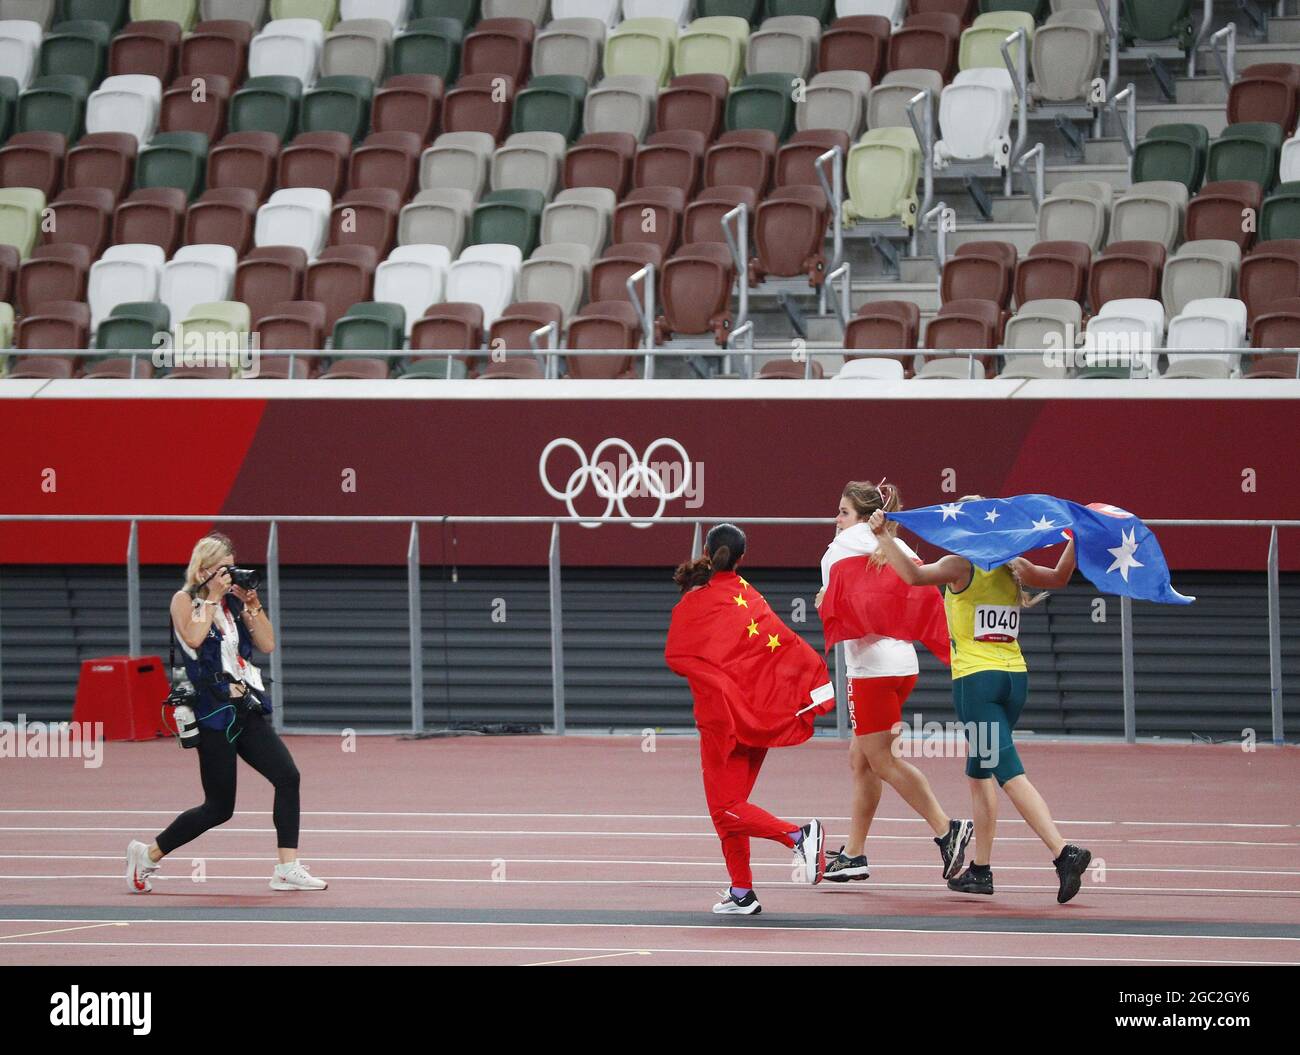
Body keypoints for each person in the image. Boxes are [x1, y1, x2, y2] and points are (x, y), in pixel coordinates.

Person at [867, 502, 1093, 904]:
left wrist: (884, 536)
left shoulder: (961, 565)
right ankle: (981, 871)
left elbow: (915, 575)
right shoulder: (1014, 564)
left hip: (977, 683)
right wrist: (1074, 539)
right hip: (1014, 680)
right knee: (979, 772)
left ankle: (1063, 853)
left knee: (1008, 774)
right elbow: (1058, 577)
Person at [125, 532, 327, 894]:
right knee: (219, 808)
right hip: (212, 714)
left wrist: (252, 602)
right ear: (202, 569)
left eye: (230, 569)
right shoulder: (184, 600)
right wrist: (213, 598)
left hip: (244, 707)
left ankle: (287, 867)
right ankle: (148, 853)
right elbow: (194, 639)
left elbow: (267, 643)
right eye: (221, 569)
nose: (228, 576)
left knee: (287, 776)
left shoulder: (233, 605)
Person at [666, 524, 835, 915]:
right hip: (755, 720)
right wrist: (814, 684)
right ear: (742, 558)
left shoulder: (698, 599)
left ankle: (799, 836)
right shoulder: (748, 596)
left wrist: (715, 679)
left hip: (721, 722)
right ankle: (742, 893)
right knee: (732, 806)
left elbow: (676, 654)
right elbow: (783, 646)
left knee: (724, 808)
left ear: (708, 550)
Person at [816, 481, 972, 883]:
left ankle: (946, 829)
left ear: (863, 518)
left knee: (883, 760)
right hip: (903, 663)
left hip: (870, 669)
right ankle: (854, 854)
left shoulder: (841, 547)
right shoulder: (900, 547)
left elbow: (839, 600)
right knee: (862, 758)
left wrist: (824, 599)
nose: (837, 519)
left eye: (843, 511)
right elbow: (911, 590)